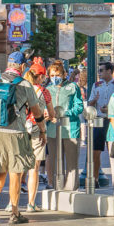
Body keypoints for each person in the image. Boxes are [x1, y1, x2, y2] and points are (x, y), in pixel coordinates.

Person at [0, 51, 45, 225]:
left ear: (8, 64)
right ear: (22, 66)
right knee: (15, 172)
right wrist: (43, 130)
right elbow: (36, 111)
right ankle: (14, 212)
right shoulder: (24, 84)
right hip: (16, 133)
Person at [46, 61, 83, 192]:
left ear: (64, 74)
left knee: (72, 163)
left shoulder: (73, 87)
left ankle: (71, 189)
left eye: (57, 74)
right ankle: (58, 188)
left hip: (71, 129)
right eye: (52, 75)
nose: (54, 77)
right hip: (52, 130)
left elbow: (79, 107)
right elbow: (43, 107)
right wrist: (47, 115)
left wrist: (64, 113)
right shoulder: (47, 90)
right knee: (55, 162)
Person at [22, 62, 53, 211]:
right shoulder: (44, 91)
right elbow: (52, 114)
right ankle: (31, 203)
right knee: (33, 168)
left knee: (17, 167)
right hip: (37, 130)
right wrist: (46, 118)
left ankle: (12, 203)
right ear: (40, 77)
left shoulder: (20, 89)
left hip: (20, 129)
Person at [87, 61, 114, 185]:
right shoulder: (96, 85)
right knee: (96, 150)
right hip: (99, 119)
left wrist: (110, 109)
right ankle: (95, 178)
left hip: (112, 120)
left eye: (101, 70)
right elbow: (89, 102)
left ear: (109, 71)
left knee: (113, 150)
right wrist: (94, 101)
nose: (99, 73)